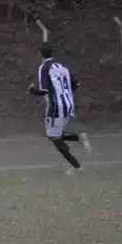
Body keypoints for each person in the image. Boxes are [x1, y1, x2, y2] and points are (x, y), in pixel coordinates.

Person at [28, 43, 92, 174]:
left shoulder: (44, 67)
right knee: (58, 134)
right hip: (68, 104)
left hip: (56, 106)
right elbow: (76, 84)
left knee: (53, 137)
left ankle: (76, 166)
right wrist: (64, 93)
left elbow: (44, 90)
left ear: (40, 54)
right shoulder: (62, 67)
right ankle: (79, 138)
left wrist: (32, 90)